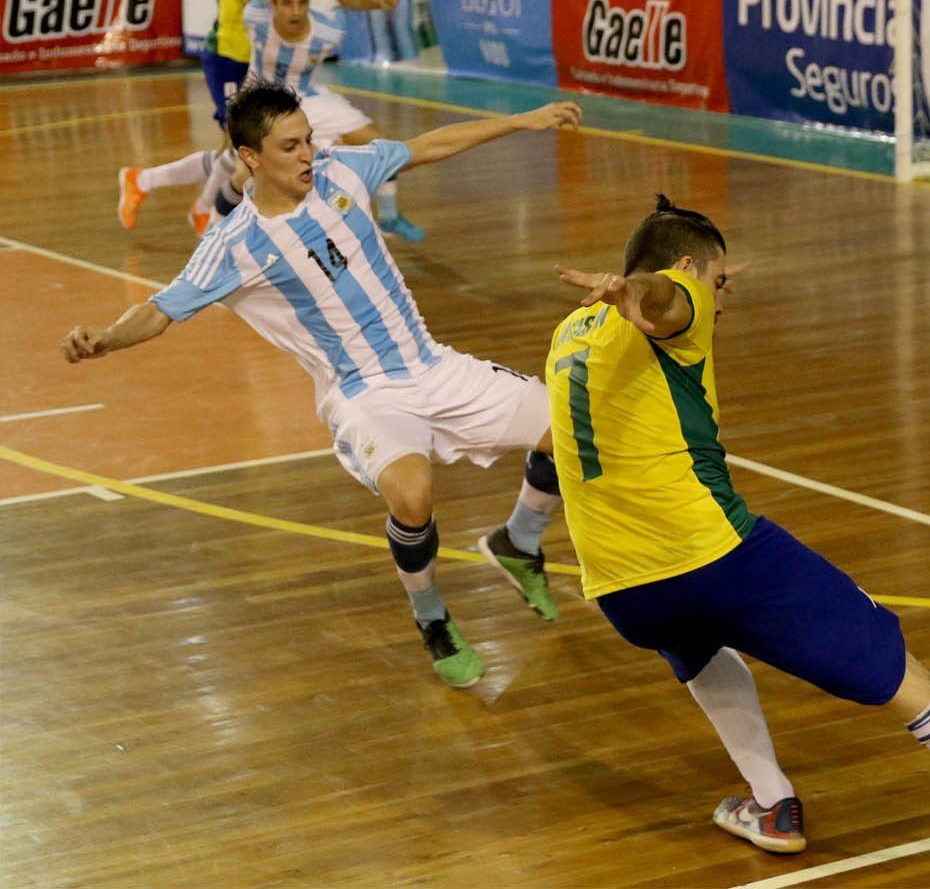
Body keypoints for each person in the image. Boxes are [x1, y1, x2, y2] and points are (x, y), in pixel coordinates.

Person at [545, 195, 930, 854]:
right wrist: (644, 289)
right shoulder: (676, 300)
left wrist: (626, 289)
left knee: (701, 653)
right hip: (715, 556)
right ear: (691, 266)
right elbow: (664, 302)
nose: (721, 302)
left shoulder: (567, 334)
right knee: (907, 677)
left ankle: (771, 803)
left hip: (621, 591)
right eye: (719, 282)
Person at [66, 83, 583, 687]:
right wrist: (104, 338)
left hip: (433, 366)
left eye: (309, 139)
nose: (310, 153)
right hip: (366, 397)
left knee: (570, 428)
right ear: (249, 156)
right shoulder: (234, 245)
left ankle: (519, 542)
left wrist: (522, 119)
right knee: (413, 498)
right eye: (291, 146)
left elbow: (426, 147)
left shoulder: (345, 171)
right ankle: (433, 618)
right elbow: (160, 308)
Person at [117, 0, 400, 238]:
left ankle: (151, 185)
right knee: (236, 148)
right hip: (228, 52)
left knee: (237, 151)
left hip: (266, 64)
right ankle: (195, 206)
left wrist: (376, 2)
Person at [207, 0, 425, 241]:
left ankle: (390, 217)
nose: (295, 11)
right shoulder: (257, 15)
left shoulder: (328, 29)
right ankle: (212, 234)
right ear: (273, 4)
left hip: (308, 99)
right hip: (262, 102)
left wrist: (378, 2)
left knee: (381, 145)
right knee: (242, 175)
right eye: (287, 3)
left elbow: (346, 0)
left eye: (302, 3)